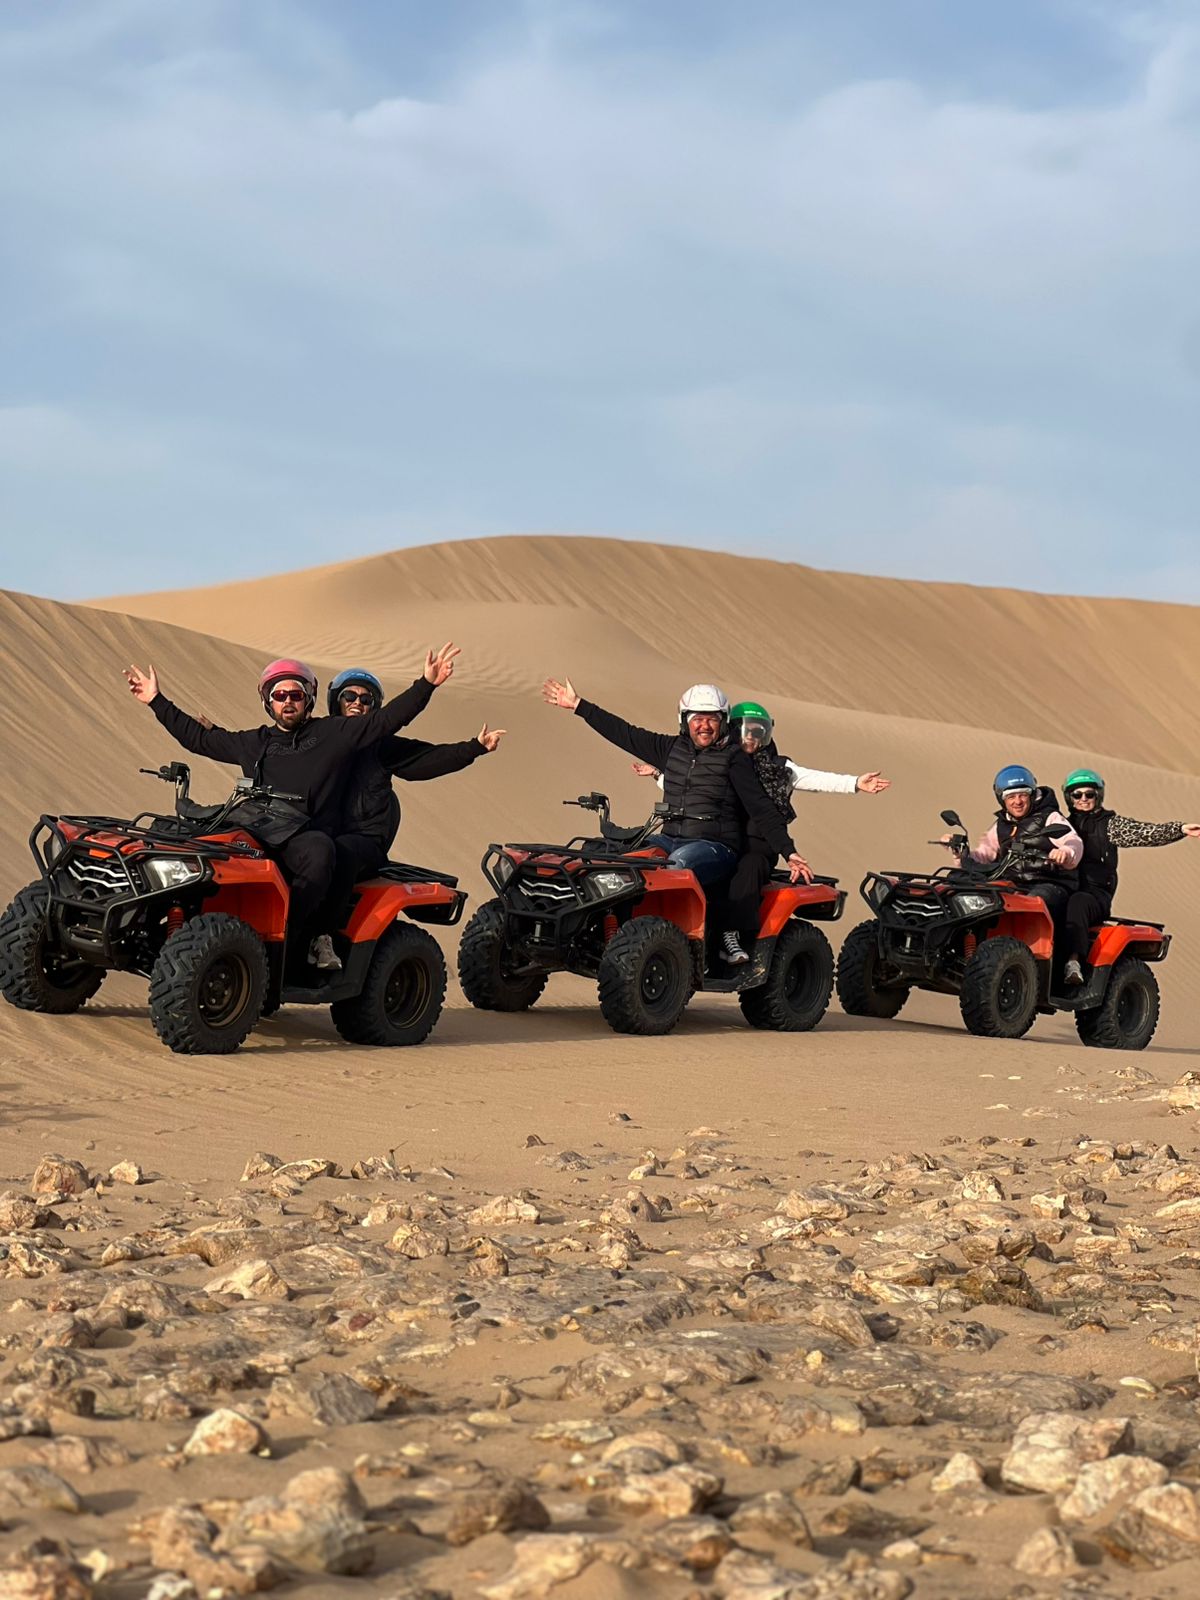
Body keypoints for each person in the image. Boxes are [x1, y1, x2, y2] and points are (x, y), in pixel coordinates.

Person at [123, 645, 459, 970]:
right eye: (279, 695)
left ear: (309, 700)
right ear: (268, 702)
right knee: (179, 840)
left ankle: (291, 942)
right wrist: (156, 700)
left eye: (295, 695)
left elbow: (384, 722)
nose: (287, 701)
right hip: (257, 828)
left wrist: (426, 684)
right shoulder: (255, 742)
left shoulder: (332, 733)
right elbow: (199, 739)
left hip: (304, 836)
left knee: (321, 852)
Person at [541, 677, 811, 963]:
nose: (704, 726)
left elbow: (761, 808)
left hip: (715, 846)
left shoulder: (734, 758)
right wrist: (579, 706)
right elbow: (625, 733)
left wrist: (789, 852)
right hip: (667, 838)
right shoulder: (670, 748)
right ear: (685, 720)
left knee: (674, 867)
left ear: (723, 721)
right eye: (697, 718)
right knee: (623, 863)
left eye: (712, 719)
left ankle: (671, 945)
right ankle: (607, 932)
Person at [633, 700, 891, 962]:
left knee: (748, 868)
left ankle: (731, 936)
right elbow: (697, 793)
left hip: (761, 844)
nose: (752, 738)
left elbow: (817, 779)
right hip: (723, 839)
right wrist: (658, 775)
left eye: (758, 732)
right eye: (745, 731)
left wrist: (856, 783)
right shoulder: (723, 761)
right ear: (731, 730)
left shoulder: (780, 768)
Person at [315, 667, 508, 959]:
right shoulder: (318, 738)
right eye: (349, 695)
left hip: (362, 841)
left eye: (366, 699)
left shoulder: (379, 747)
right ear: (336, 701)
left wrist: (474, 747)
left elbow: (427, 759)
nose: (357, 702)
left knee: (338, 853)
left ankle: (323, 938)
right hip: (320, 834)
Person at [1059, 767, 1200, 985]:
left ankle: (1073, 963)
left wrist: (1179, 829)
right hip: (1066, 889)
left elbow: (1144, 833)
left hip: (1094, 896)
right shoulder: (1061, 825)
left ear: (1099, 796)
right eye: (1077, 795)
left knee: (1078, 902)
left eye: (1090, 794)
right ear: (1069, 798)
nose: (1084, 799)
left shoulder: (1110, 825)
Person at [946, 764, 1082, 937]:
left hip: (1049, 882)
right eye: (1010, 796)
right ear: (1002, 799)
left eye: (1022, 795)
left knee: (1033, 903)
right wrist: (960, 853)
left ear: (1031, 795)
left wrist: (1065, 853)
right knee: (970, 893)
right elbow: (984, 854)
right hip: (1012, 883)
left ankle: (1034, 954)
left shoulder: (1050, 817)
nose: (1017, 801)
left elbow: (1073, 841)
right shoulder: (1001, 825)